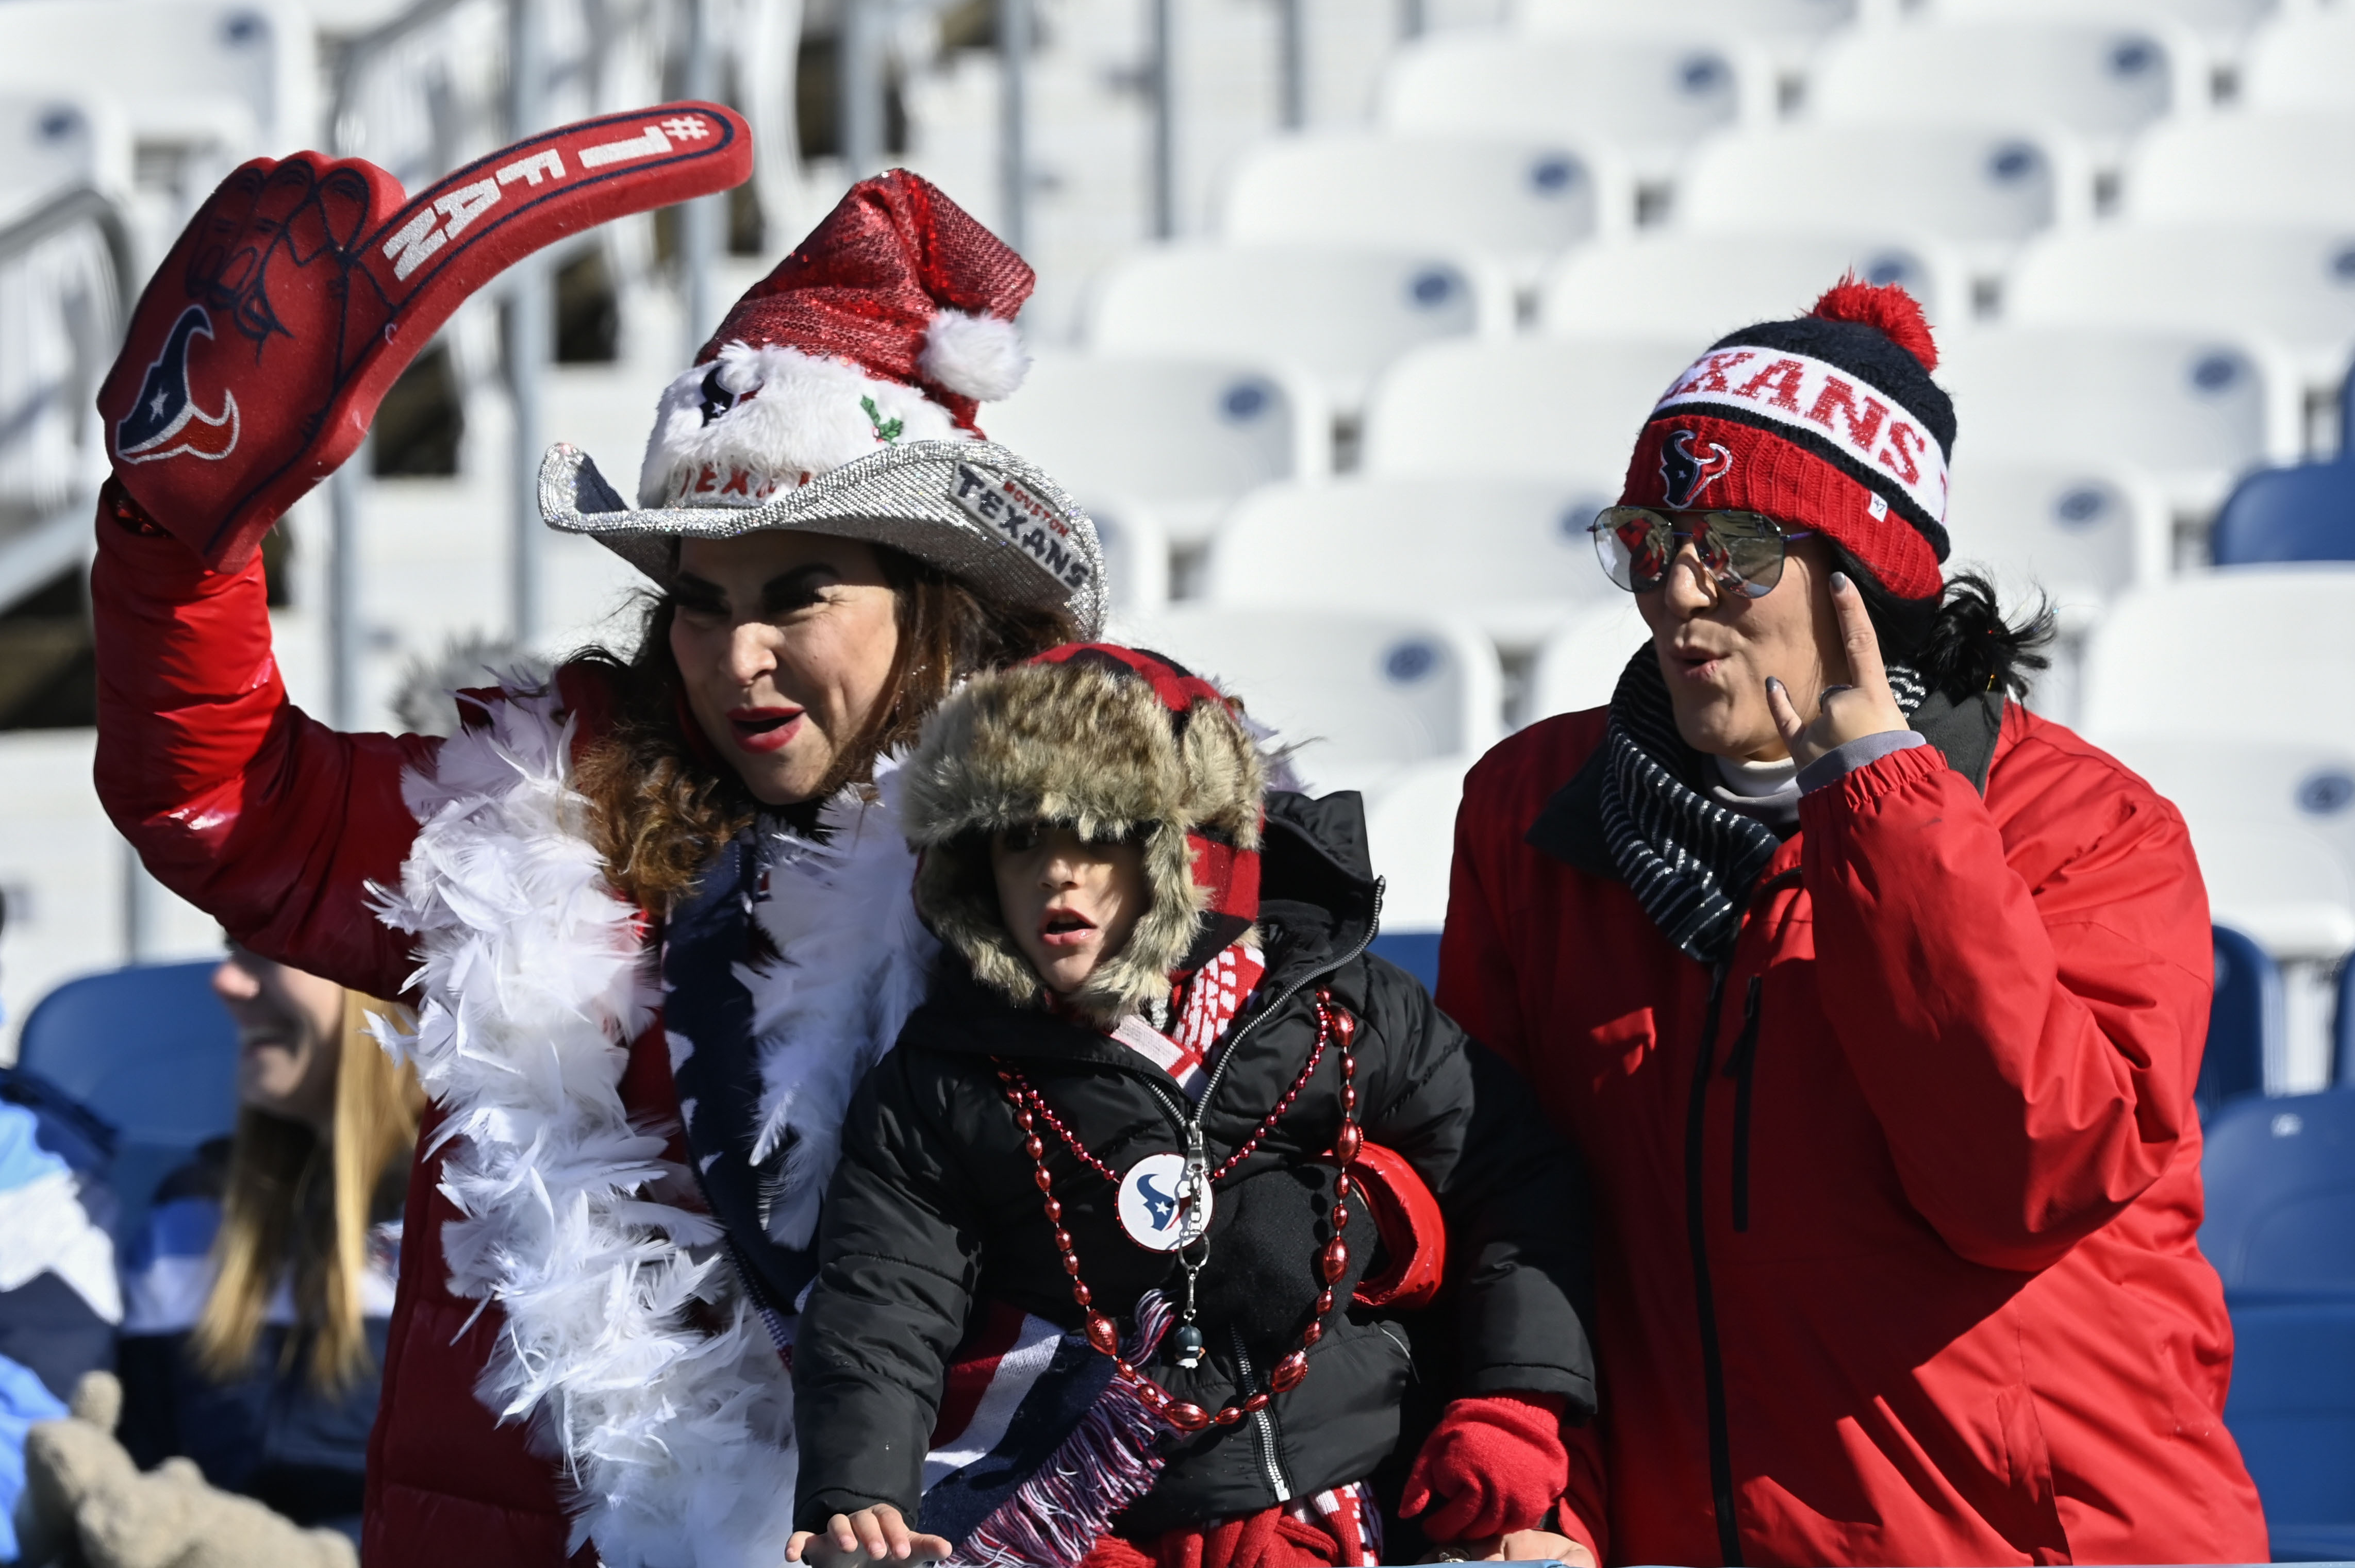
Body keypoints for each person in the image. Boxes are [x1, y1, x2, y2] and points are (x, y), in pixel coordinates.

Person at [90, 162, 1103, 1566]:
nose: (737, 656)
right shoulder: (536, 810)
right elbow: (221, 800)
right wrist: (178, 539)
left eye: (797, 592)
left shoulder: (1085, 855)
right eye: (698, 601)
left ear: (936, 600)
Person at [1438, 278, 2269, 1564]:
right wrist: (1542, 1501)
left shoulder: (2091, 832)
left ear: (1863, 575)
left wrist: (1877, 791)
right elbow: (1506, 1206)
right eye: (1648, 540)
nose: (1676, 590)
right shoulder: (1532, 814)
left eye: (1737, 547)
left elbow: (2022, 1177)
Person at [788, 645, 1599, 1568]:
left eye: (1098, 831)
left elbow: (1515, 1183)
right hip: (1085, 1518)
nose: (1057, 874)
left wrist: (1512, 1408)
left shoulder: (1339, 1009)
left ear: (1186, 848)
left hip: (1360, 1489)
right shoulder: (942, 1079)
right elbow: (882, 1301)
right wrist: (860, 1491)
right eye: (1019, 839)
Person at [112, 946, 419, 1543]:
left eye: (266, 951)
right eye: (232, 951)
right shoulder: (190, 1218)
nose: (225, 982)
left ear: (385, 977)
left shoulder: (499, 1234)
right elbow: (142, 1468)